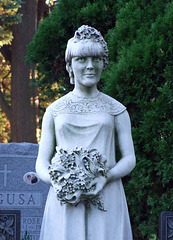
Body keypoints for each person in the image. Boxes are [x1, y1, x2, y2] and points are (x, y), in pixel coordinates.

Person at [36, 25, 136, 240]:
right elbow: (41, 162)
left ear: (104, 63)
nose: (90, 66)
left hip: (106, 194)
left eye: (96, 59)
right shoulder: (54, 111)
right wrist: (58, 182)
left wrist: (105, 178)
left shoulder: (116, 110)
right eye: (82, 60)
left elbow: (129, 158)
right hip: (65, 199)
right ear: (70, 66)